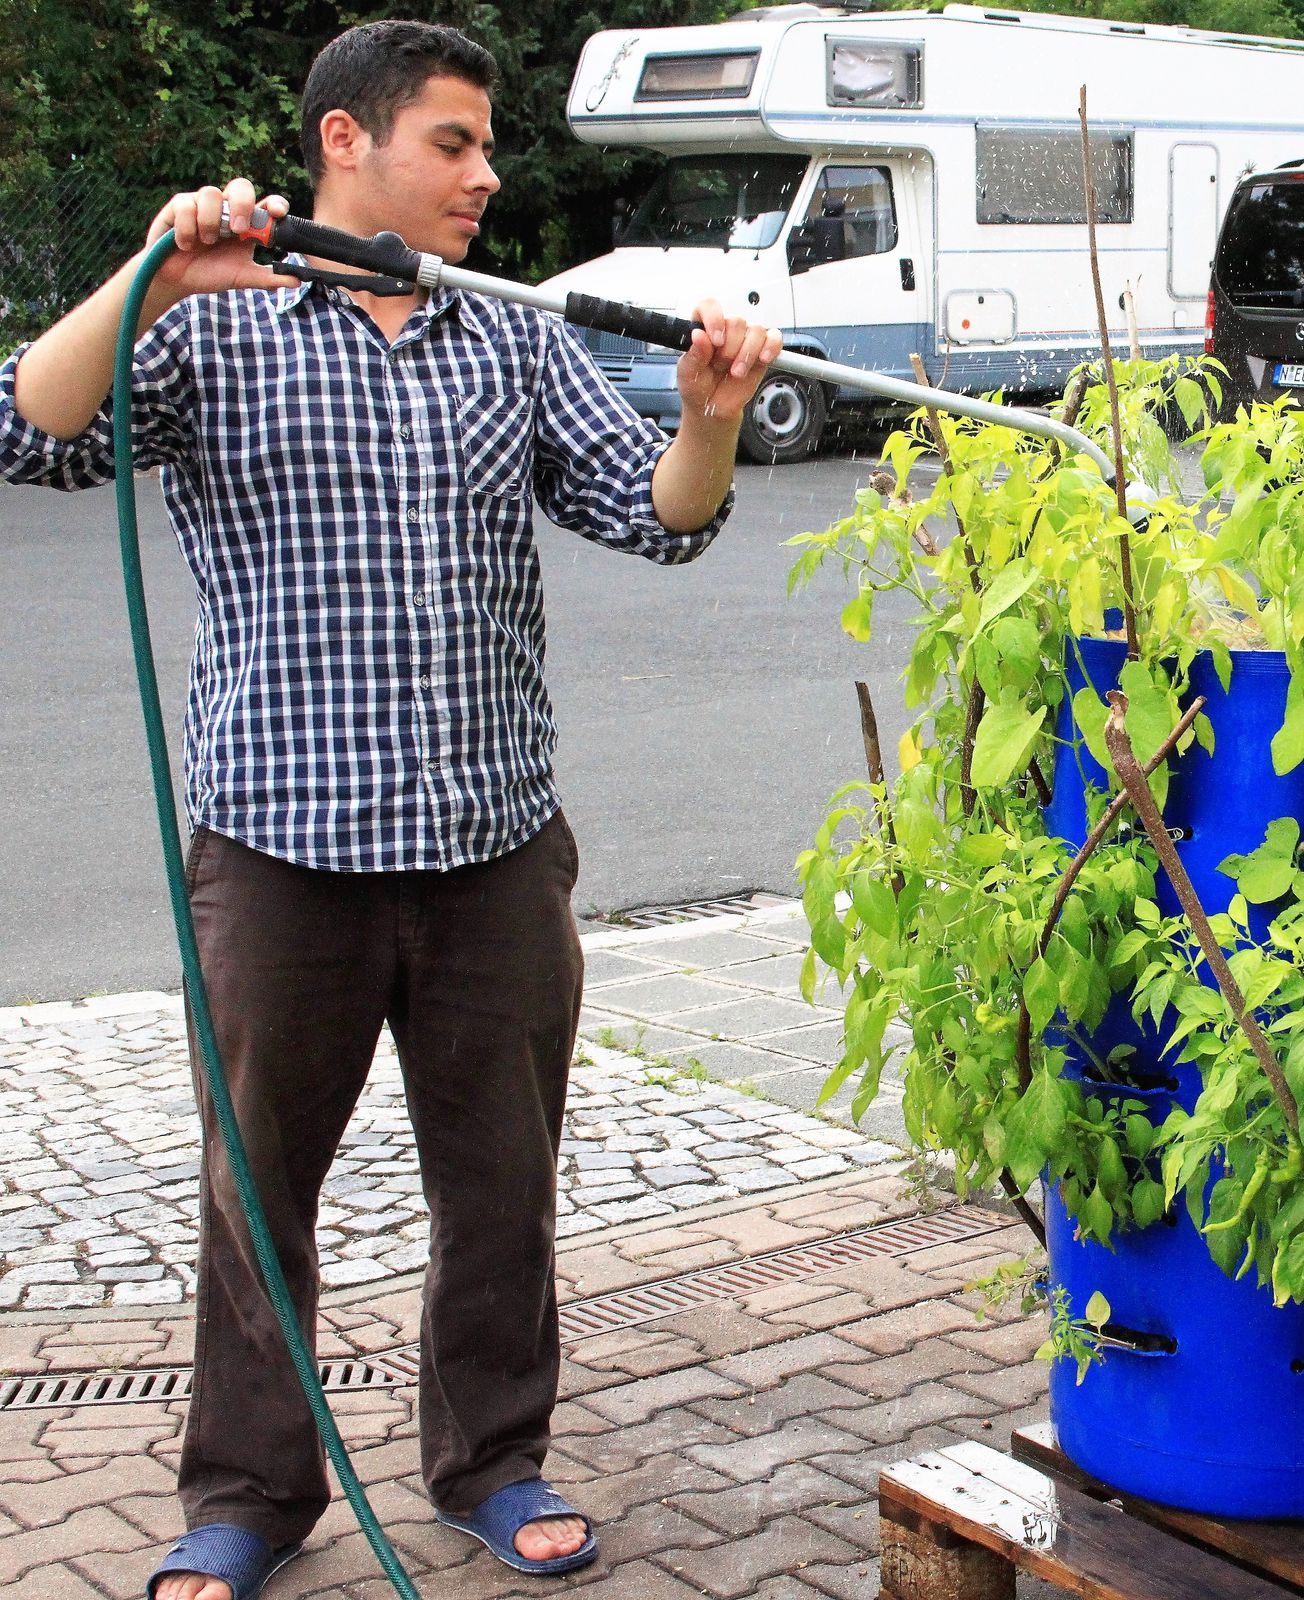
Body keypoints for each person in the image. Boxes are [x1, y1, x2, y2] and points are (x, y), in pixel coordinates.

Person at [0, 21, 782, 1600]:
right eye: (455, 143)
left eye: (487, 147)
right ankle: (245, 1493)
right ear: (345, 144)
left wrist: (704, 418)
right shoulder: (214, 322)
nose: (489, 176)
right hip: (280, 849)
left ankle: (492, 1457)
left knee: (501, 1176)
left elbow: (661, 521)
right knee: (257, 1185)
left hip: (494, 848)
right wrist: (154, 270)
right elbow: (30, 424)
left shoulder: (510, 334)